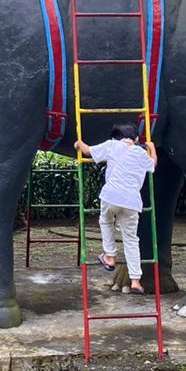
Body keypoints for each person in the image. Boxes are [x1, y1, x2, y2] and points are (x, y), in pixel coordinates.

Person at [74, 124, 157, 294]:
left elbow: (87, 150)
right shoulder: (141, 152)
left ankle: (110, 256)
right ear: (135, 139)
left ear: (116, 137)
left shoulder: (111, 145)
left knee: (105, 222)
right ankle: (135, 280)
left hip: (111, 196)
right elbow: (153, 165)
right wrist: (152, 149)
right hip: (132, 202)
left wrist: (78, 144)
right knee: (132, 239)